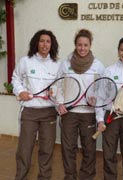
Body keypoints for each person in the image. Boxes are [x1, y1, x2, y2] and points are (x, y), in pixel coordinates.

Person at [12, 29, 60, 180]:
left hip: (49, 113)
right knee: (24, 150)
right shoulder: (26, 61)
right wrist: (20, 92)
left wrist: (54, 92)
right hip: (29, 112)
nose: (45, 44)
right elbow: (15, 78)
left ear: (52, 44)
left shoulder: (57, 64)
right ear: (36, 43)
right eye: (42, 41)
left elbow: (60, 85)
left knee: (46, 150)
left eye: (48, 41)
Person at [57, 29, 105, 180]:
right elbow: (58, 86)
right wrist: (59, 104)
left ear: (90, 45)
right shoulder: (65, 64)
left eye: (85, 45)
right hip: (69, 114)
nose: (82, 48)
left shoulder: (98, 66)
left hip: (88, 114)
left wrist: (96, 102)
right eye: (79, 45)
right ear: (75, 45)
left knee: (89, 149)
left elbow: (102, 90)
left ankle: (86, 177)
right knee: (68, 149)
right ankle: (70, 176)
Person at [95, 36, 123, 180]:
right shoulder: (108, 71)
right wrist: (100, 119)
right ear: (118, 50)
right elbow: (100, 97)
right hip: (110, 117)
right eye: (122, 50)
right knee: (109, 155)